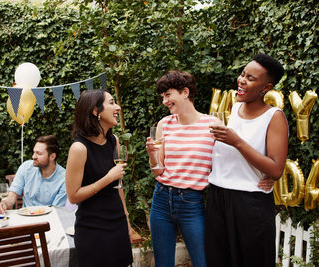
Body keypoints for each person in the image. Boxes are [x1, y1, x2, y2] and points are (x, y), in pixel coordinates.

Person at [205, 54, 288, 267]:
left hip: (249, 203)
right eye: (242, 74)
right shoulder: (234, 109)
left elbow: (276, 169)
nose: (241, 80)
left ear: (266, 87)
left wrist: (237, 142)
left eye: (251, 78)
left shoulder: (274, 116)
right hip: (218, 195)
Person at [145, 70, 213, 267]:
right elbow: (158, 170)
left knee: (203, 262)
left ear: (184, 92)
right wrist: (152, 154)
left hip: (192, 203)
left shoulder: (211, 124)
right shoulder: (165, 124)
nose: (164, 101)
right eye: (162, 97)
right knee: (163, 263)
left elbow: (224, 165)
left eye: (168, 95)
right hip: (161, 201)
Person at [65, 90, 133, 267]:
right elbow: (73, 196)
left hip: (117, 223)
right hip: (93, 230)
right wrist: (108, 178)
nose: (117, 107)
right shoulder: (79, 148)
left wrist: (126, 220)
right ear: (96, 111)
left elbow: (118, 186)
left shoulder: (114, 141)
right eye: (111, 103)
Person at [0, 135, 67, 214]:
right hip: (25, 219)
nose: (33, 156)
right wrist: (3, 204)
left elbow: (57, 211)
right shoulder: (26, 167)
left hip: (48, 222)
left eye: (39, 154)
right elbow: (12, 196)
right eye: (34, 152)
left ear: (52, 156)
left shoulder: (64, 179)